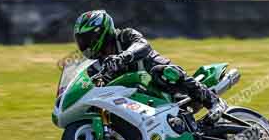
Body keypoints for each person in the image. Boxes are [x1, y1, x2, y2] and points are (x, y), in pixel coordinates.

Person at [73, 10, 225, 125]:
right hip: (137, 100)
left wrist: (123, 57)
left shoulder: (125, 36)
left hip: (157, 83)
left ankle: (214, 101)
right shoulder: (95, 67)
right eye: (81, 40)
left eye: (88, 39)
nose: (85, 44)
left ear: (101, 33)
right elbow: (89, 86)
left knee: (162, 71)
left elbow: (143, 46)